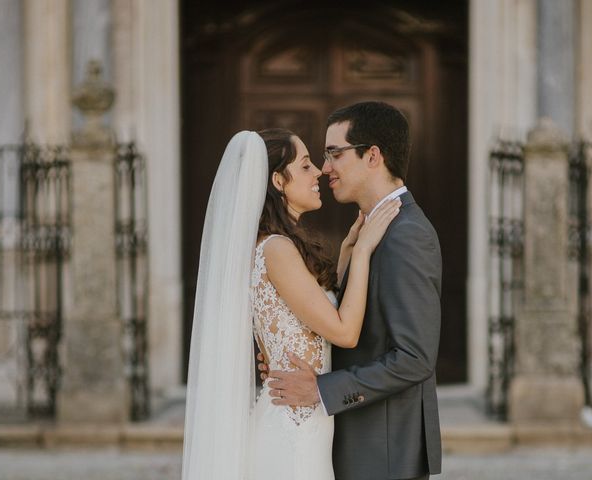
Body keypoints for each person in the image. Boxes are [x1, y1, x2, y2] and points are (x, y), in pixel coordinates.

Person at [181, 127, 400, 480]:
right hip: (293, 433)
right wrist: (362, 253)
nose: (320, 172)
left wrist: (345, 251)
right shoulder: (277, 249)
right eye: (306, 165)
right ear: (278, 181)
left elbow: (316, 314)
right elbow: (344, 332)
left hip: (301, 423)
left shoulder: (274, 246)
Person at [263, 102, 443, 480]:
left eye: (334, 154)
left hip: (381, 453)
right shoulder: (370, 232)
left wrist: (322, 390)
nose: (326, 167)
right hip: (346, 445)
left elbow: (415, 358)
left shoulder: (406, 234)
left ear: (372, 155)